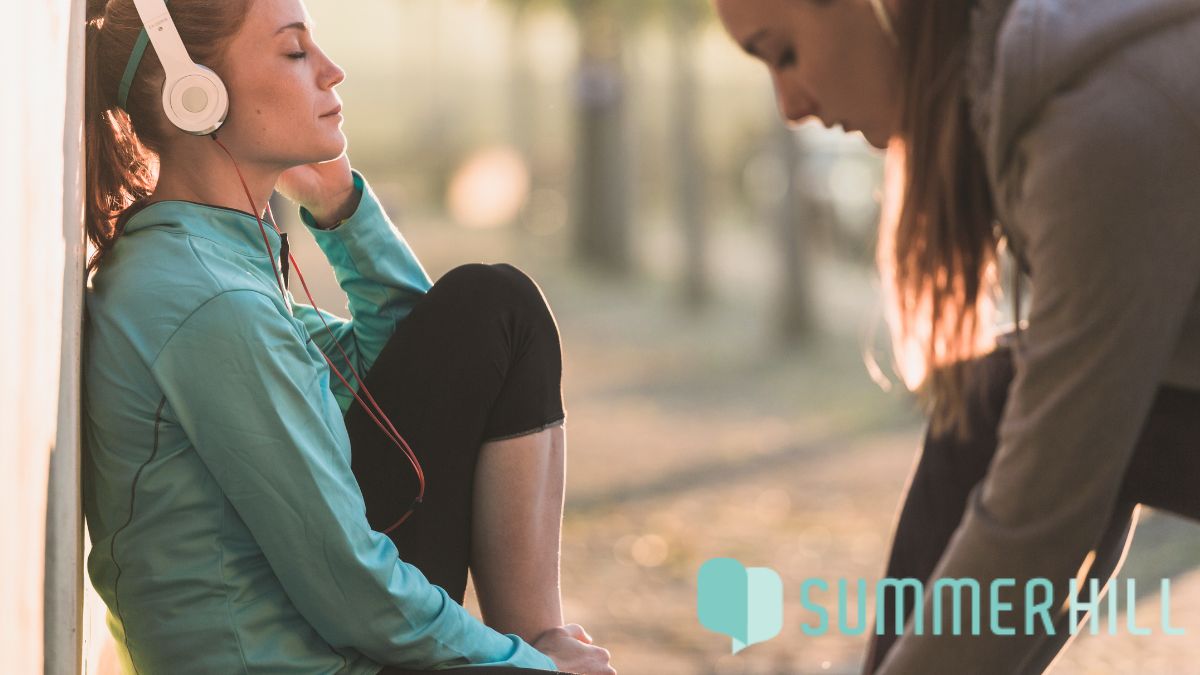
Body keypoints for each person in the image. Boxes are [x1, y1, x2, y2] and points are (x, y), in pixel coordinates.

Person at [82, 1, 616, 674]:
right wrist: (529, 670)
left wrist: (343, 210)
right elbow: (351, 586)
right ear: (196, 96)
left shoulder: (207, 262)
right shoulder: (207, 299)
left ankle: (542, 644)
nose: (333, 73)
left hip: (323, 647)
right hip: (310, 658)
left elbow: (425, 382)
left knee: (496, 310)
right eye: (295, 51)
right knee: (499, 305)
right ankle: (545, 651)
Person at [713, 0, 1200, 672]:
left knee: (1014, 421)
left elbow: (1042, 510)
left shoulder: (1101, 120)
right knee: (995, 400)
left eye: (786, 53)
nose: (790, 106)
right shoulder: (1052, 87)